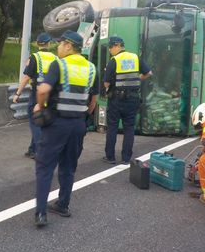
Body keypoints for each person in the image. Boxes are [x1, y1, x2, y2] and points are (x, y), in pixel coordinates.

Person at [33, 30, 98, 227]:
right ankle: (63, 205)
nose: (58, 48)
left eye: (60, 44)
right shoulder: (91, 68)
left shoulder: (59, 64)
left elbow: (43, 89)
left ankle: (41, 214)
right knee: (69, 167)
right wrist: (82, 115)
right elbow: (93, 101)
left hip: (56, 124)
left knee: (44, 167)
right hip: (78, 124)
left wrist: (40, 106)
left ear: (68, 46)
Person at [103, 36, 152, 164]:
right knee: (129, 128)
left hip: (116, 100)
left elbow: (106, 83)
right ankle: (126, 158)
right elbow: (149, 73)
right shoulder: (135, 58)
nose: (109, 50)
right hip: (133, 99)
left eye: (110, 47)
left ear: (116, 46)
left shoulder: (114, 60)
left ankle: (110, 157)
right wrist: (137, 79)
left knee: (112, 127)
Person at [13, 32, 57, 159]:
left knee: (35, 121)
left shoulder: (35, 58)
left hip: (37, 95)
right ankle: (32, 149)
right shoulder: (55, 58)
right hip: (50, 95)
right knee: (41, 121)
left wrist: (17, 93)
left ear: (37, 44)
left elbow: (26, 77)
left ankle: (39, 151)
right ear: (49, 44)